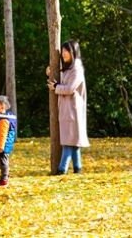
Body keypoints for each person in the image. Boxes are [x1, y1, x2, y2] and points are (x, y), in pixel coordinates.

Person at [48, 39, 89, 174]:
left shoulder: (76, 68)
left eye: (67, 51)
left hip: (73, 110)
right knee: (73, 142)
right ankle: (78, 168)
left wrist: (56, 87)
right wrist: (50, 72)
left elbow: (70, 88)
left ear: (74, 52)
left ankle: (62, 169)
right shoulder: (68, 67)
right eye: (63, 51)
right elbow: (61, 77)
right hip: (67, 109)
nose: (64, 54)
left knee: (68, 142)